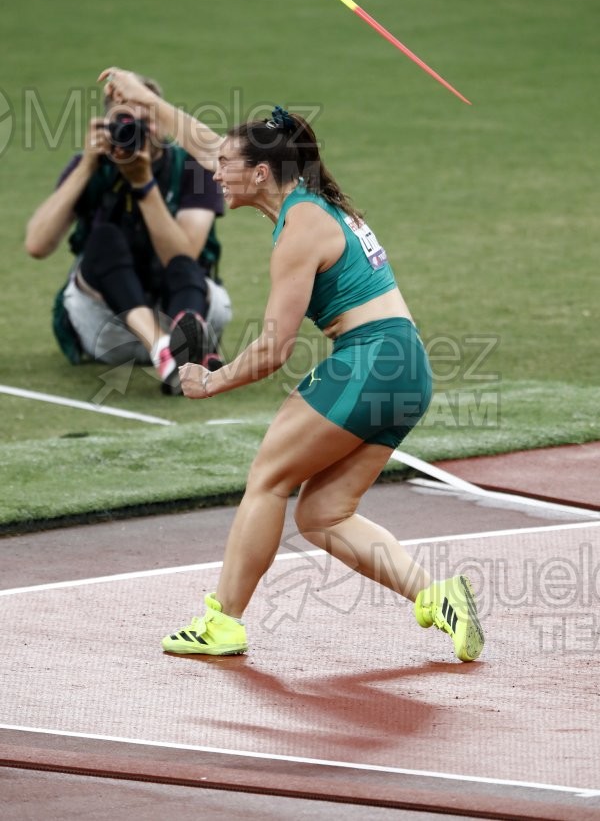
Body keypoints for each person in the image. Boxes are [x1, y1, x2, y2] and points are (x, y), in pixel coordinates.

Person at [99, 67, 485, 663]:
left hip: (371, 360)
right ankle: (439, 597)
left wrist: (212, 380)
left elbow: (274, 350)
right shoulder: (304, 200)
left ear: (259, 173)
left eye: (228, 165)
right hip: (407, 368)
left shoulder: (299, 229)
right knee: (323, 513)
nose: (213, 172)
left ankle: (222, 622)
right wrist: (148, 100)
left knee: (269, 480)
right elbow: (209, 143)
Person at [25, 74, 231, 395]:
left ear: (163, 123)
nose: (133, 131)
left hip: (176, 305)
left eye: (145, 121)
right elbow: (37, 244)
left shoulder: (192, 168)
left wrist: (144, 184)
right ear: (105, 126)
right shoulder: (89, 165)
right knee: (104, 238)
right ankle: (169, 348)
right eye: (124, 122)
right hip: (109, 329)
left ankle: (176, 344)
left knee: (183, 264)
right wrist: (86, 166)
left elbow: (184, 255)